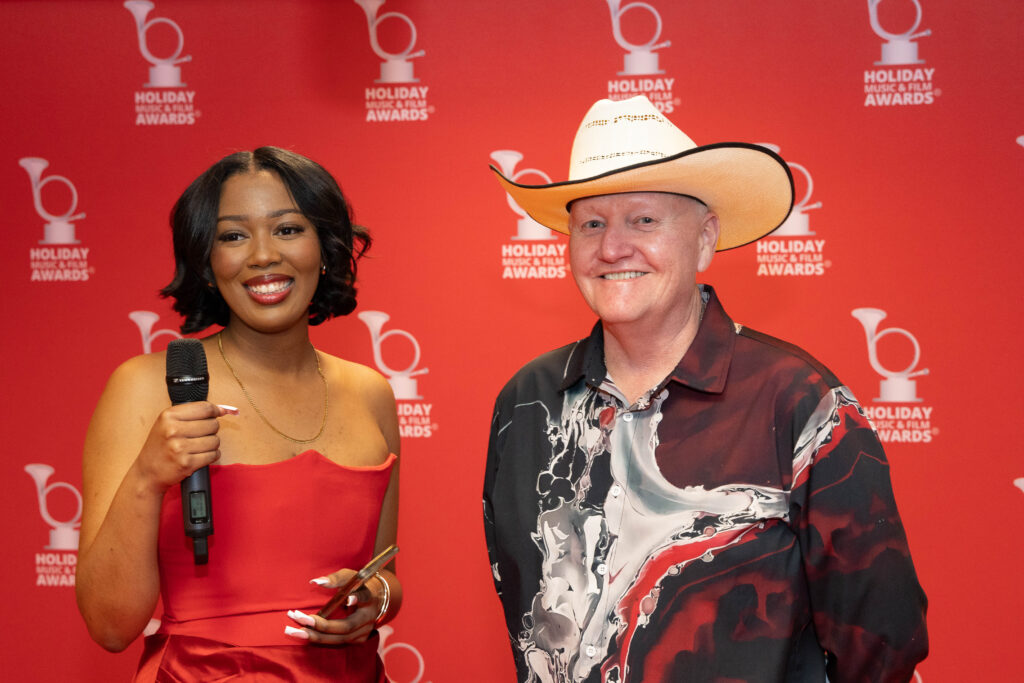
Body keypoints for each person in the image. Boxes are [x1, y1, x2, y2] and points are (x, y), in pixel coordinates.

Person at [483, 96, 927, 683]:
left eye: (643, 220)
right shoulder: (527, 402)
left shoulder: (799, 403)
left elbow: (881, 645)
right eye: (591, 222)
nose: (612, 247)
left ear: (704, 239)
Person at [76, 147, 402, 681]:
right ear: (206, 263)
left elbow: (385, 574)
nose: (262, 256)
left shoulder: (371, 393)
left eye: (288, 229)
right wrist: (147, 477)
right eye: (233, 236)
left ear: (325, 247)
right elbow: (110, 626)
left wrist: (375, 600)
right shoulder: (143, 387)